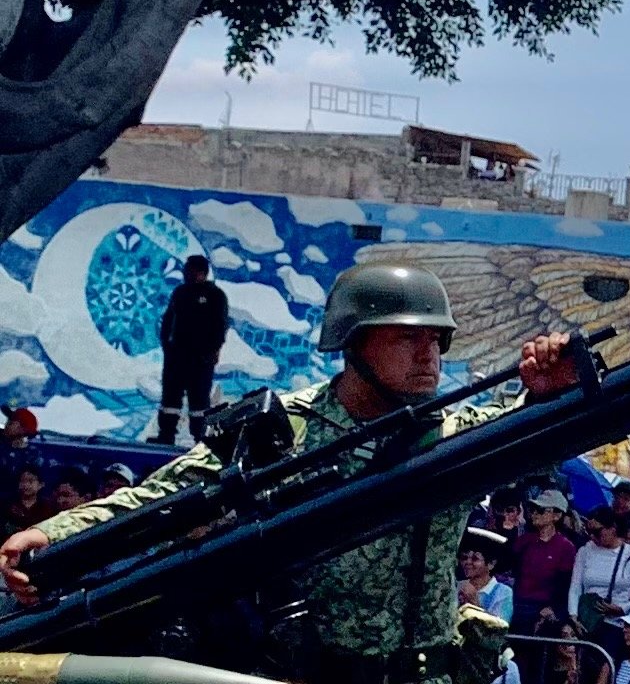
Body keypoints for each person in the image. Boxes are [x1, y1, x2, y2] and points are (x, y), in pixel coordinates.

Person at [0, 262, 583, 684]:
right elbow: (166, 493)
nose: (429, 354)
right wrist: (57, 534)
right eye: (408, 338)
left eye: (436, 339)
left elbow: (527, 428)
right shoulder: (283, 434)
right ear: (353, 345)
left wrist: (551, 395)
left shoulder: (454, 436)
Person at [155, 253, 230, 445]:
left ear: (202, 272)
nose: (186, 274)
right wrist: (166, 345)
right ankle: (166, 436)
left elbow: (220, 325)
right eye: (185, 270)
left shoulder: (215, 295)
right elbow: (168, 319)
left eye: (190, 270)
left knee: (199, 401)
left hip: (200, 360)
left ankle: (200, 440)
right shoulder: (180, 293)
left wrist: (214, 350)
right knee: (170, 398)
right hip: (176, 358)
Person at [571, 506, 630, 636]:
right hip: (586, 620)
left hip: (615, 623)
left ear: (612, 528)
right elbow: (575, 586)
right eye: (588, 531)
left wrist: (622, 608)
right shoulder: (585, 551)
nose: (592, 537)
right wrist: (573, 615)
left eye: (596, 532)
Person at [516, 489, 580, 629]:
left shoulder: (566, 547)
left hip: (543, 608)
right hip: (518, 604)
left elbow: (565, 584)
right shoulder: (524, 541)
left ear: (556, 515)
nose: (534, 513)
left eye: (540, 510)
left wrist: (552, 608)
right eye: (533, 509)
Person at [460, 527, 516, 624]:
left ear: (491, 564)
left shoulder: (503, 592)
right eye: (464, 558)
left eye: (475, 559)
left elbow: (499, 627)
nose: (467, 562)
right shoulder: (456, 586)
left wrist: (474, 602)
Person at [2, 463, 53, 535]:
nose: (26, 485)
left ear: (41, 485)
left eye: (30, 481)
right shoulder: (8, 505)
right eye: (22, 481)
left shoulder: (48, 507)